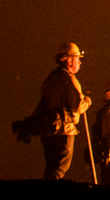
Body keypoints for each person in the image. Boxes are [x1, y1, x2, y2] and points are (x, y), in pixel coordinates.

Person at [33, 42, 91, 181]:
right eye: (77, 59)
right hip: (64, 130)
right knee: (60, 165)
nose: (80, 63)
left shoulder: (51, 78)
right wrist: (87, 101)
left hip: (48, 130)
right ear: (69, 60)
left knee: (51, 165)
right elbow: (77, 106)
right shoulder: (69, 79)